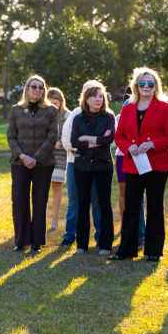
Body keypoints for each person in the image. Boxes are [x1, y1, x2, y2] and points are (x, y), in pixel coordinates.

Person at [110, 67, 168, 262]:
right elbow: (119, 136)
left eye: (151, 83)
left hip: (157, 163)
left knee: (155, 206)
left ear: (156, 86)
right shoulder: (127, 108)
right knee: (131, 206)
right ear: (136, 86)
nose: (146, 86)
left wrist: (153, 144)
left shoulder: (164, 107)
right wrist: (128, 147)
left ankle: (153, 251)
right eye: (142, 83)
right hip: (133, 163)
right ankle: (126, 250)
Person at [6, 75, 60, 252]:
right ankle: (21, 240)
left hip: (43, 163)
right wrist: (23, 157)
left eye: (40, 87)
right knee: (19, 199)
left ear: (44, 90)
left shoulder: (51, 111)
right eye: (34, 86)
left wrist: (35, 158)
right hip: (19, 162)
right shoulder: (16, 110)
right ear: (27, 89)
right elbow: (11, 136)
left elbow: (52, 136)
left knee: (40, 200)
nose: (37, 90)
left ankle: (37, 241)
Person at [69, 81, 115, 255]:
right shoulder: (78, 118)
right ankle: (81, 245)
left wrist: (86, 138)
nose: (98, 99)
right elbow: (74, 143)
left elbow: (108, 140)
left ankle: (105, 245)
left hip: (103, 164)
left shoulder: (109, 117)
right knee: (83, 205)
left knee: (104, 205)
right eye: (94, 96)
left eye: (101, 96)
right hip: (82, 165)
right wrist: (97, 140)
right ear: (86, 99)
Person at [59, 81, 102, 248]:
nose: (94, 98)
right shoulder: (76, 113)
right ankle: (70, 235)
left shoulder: (106, 113)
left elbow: (111, 140)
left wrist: (86, 142)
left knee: (97, 202)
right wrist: (82, 149)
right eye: (89, 93)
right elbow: (66, 139)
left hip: (98, 163)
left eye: (97, 94)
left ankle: (100, 236)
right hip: (75, 162)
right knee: (74, 201)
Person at [115, 87, 145, 247]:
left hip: (142, 156)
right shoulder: (125, 109)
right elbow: (119, 136)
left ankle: (140, 234)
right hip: (123, 156)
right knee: (125, 192)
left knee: (139, 196)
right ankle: (126, 227)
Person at [47, 88, 68, 230]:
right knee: (42, 187)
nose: (53, 106)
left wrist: (60, 142)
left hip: (60, 155)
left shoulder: (68, 116)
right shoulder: (43, 114)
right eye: (50, 103)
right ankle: (41, 217)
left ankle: (54, 219)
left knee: (56, 185)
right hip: (44, 155)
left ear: (61, 101)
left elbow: (71, 136)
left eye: (55, 103)